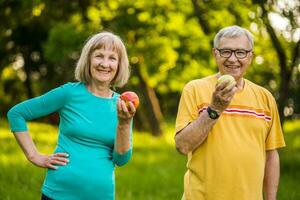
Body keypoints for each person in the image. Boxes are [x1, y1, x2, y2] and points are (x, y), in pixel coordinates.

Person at [7, 31, 135, 200]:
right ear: (88, 60)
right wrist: (34, 156)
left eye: (112, 58)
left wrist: (124, 123)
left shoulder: (122, 105)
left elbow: (121, 159)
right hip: (58, 194)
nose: (105, 63)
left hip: (100, 196)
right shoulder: (69, 93)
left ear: (119, 65)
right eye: (99, 56)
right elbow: (16, 114)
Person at [174, 25, 285, 200]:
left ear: (250, 56)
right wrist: (215, 108)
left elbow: (271, 155)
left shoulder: (265, 98)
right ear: (215, 54)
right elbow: (182, 145)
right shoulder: (194, 89)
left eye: (240, 52)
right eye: (226, 51)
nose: (232, 59)